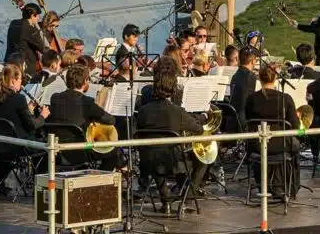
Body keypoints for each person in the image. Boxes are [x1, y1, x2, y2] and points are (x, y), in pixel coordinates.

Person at [135, 59, 208, 206]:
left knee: (156, 154)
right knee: (204, 159)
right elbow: (199, 129)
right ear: (173, 89)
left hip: (147, 162)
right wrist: (203, 117)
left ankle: (165, 200)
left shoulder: (143, 111)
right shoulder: (177, 111)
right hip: (172, 162)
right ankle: (187, 197)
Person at [0, 64, 49, 193]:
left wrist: (28, 110)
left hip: (0, 144)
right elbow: (32, 125)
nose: (22, 82)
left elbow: (13, 116)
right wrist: (43, 116)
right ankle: (40, 187)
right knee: (46, 147)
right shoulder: (19, 98)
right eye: (21, 79)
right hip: (18, 145)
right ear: (13, 80)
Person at [245, 63, 301, 198]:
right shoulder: (285, 98)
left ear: (259, 78)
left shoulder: (252, 99)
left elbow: (248, 120)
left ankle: (266, 182)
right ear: (275, 78)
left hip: (257, 144)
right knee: (295, 144)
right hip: (279, 145)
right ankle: (288, 185)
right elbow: (295, 127)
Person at [48, 64, 118, 171]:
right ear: (85, 81)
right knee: (112, 151)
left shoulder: (55, 97)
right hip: (82, 149)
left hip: (57, 149)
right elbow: (110, 120)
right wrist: (97, 113)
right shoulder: (87, 101)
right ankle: (99, 181)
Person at [4, 3, 46, 74]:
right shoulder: (30, 29)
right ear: (32, 16)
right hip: (25, 67)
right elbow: (42, 48)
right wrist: (36, 27)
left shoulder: (13, 23)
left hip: (10, 63)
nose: (38, 19)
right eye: (37, 16)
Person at [228, 46, 258, 130]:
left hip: (233, 120)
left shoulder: (235, 75)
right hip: (245, 122)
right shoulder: (251, 76)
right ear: (252, 61)